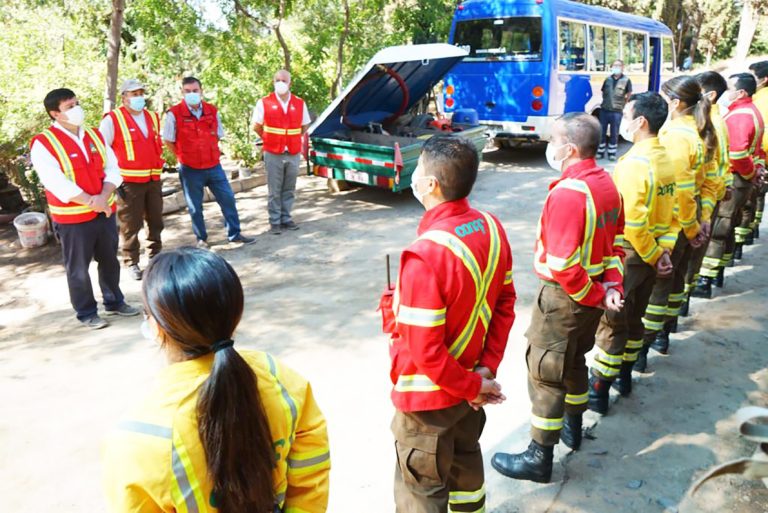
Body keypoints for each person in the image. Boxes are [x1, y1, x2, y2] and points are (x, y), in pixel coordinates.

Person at [102, 248, 330, 512]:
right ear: (235, 313)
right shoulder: (281, 379)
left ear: (156, 326)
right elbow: (310, 477)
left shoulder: (138, 436)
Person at [381, 135, 516, 513]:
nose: (414, 176)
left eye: (419, 169)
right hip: (471, 388)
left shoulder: (425, 255)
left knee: (420, 493)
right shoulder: (490, 226)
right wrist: (484, 371)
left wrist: (473, 386)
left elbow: (424, 350)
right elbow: (505, 303)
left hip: (430, 404)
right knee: (466, 475)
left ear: (431, 185)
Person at [492, 113, 624, 483]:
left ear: (570, 147)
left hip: (566, 298)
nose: (550, 147)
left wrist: (596, 295)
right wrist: (609, 287)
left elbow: (563, 264)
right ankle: (573, 426)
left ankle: (539, 455)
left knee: (546, 373)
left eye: (553, 141)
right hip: (590, 293)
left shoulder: (569, 193)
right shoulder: (606, 184)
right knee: (574, 361)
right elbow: (613, 247)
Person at [588, 92, 678, 413]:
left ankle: (599, 388)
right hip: (655, 252)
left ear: (640, 122)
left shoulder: (634, 165)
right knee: (636, 318)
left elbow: (633, 223)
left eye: (626, 116)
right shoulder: (664, 159)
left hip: (630, 255)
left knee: (613, 323)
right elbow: (673, 211)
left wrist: (652, 254)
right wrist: (663, 252)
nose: (622, 121)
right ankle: (624, 377)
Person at [29, 88, 140, 329]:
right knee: (78, 268)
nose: (77, 109)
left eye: (76, 103)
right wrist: (92, 201)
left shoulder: (94, 136)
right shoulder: (43, 143)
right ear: (55, 114)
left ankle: (114, 301)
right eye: (70, 107)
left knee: (110, 260)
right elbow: (56, 182)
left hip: (104, 212)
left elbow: (113, 169)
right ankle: (87, 312)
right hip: (72, 219)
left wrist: (102, 196)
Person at [640, 76, 717, 360]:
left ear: (674, 102)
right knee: (674, 283)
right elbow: (709, 180)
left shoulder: (675, 137)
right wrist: (702, 217)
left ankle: (643, 349)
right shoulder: (700, 130)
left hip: (673, 221)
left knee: (658, 288)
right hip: (690, 215)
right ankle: (663, 335)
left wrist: (688, 227)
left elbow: (679, 191)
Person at [163, 77, 255, 248]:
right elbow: (168, 139)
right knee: (195, 207)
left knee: (228, 198)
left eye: (195, 90)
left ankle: (234, 234)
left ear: (201, 91)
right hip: (190, 168)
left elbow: (219, 134)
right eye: (188, 91)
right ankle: (201, 239)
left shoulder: (212, 110)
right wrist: (181, 155)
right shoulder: (174, 114)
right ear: (182, 93)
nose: (192, 94)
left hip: (213, 166)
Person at [99, 79, 165, 280]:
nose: (138, 97)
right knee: (130, 224)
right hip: (129, 181)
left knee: (155, 220)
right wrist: (111, 179)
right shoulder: (112, 119)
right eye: (133, 94)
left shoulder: (152, 117)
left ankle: (155, 256)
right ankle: (131, 261)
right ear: (124, 97)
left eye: (140, 93)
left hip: (153, 177)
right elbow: (103, 149)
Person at [252, 70, 311, 235]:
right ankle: (275, 221)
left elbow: (304, 125)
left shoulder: (299, 103)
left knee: (289, 188)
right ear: (273, 82)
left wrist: (292, 138)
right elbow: (257, 126)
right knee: (274, 189)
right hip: (273, 152)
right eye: (277, 80)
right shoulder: (264, 102)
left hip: (292, 151)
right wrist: (270, 138)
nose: (280, 83)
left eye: (283, 80)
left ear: (290, 83)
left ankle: (286, 218)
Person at [693, 71, 733, 297]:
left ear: (710, 94)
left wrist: (705, 211)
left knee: (689, 264)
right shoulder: (715, 121)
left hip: (704, 198)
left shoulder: (710, 124)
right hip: (710, 195)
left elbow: (713, 169)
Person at [720, 73, 765, 262]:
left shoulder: (741, 115)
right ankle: (723, 263)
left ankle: (707, 279)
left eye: (729, 88)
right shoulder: (747, 110)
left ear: (740, 92)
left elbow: (737, 153)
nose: (726, 92)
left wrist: (749, 174)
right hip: (743, 176)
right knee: (730, 221)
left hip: (737, 176)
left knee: (722, 224)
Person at [597, 60, 632, 161]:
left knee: (614, 133)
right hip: (604, 110)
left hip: (617, 111)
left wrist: (622, 105)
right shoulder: (607, 79)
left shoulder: (626, 80)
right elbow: (603, 92)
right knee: (602, 132)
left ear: (622, 67)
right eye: (614, 65)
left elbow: (628, 94)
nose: (616, 67)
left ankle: (612, 153)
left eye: (619, 66)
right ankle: (600, 152)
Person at [748, 61, 768, 239]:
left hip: (761, 156)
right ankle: (752, 229)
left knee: (755, 195)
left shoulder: (760, 101)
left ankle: (748, 232)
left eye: (753, 77)